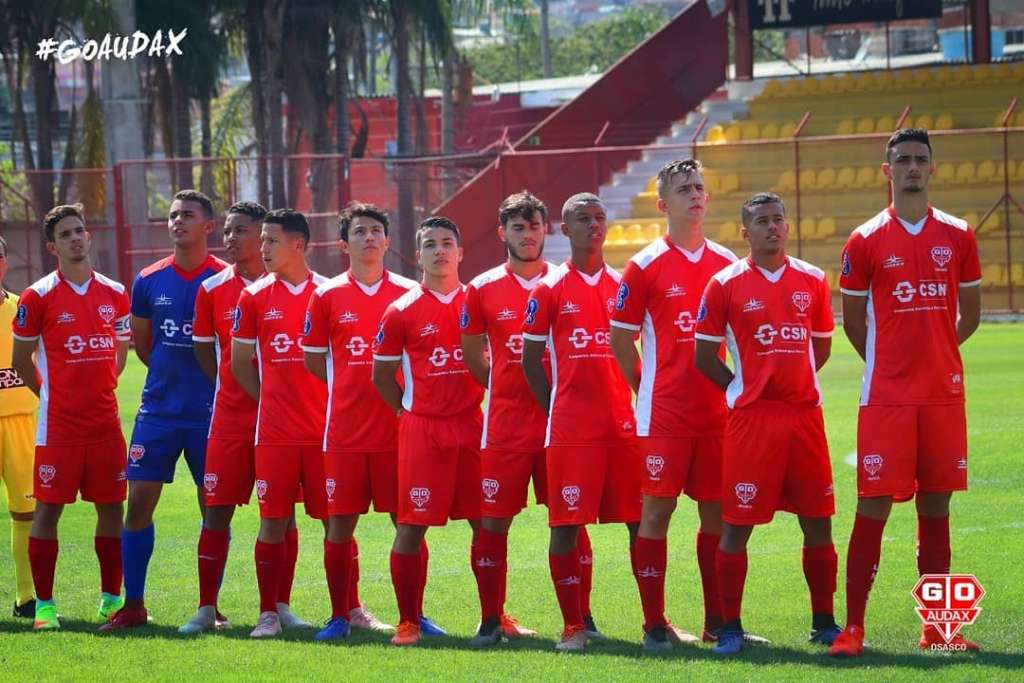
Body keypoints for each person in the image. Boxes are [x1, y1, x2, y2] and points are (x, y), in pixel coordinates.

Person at [829, 128, 982, 657]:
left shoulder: (960, 234)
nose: (912, 168)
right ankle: (853, 629)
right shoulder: (864, 239)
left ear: (933, 169)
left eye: (920, 160)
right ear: (886, 170)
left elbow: (971, 316)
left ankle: (940, 630)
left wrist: (934, 350)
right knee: (872, 507)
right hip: (887, 399)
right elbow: (853, 325)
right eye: (903, 160)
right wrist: (892, 363)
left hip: (942, 394)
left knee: (936, 508)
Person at [694, 192, 839, 655]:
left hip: (803, 418)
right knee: (736, 525)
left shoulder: (813, 280)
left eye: (779, 220)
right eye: (762, 221)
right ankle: (730, 627)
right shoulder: (724, 284)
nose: (773, 227)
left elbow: (820, 346)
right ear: (745, 232)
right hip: (751, 422)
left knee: (818, 522)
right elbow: (703, 355)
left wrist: (790, 380)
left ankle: (824, 622)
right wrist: (744, 386)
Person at [609, 159, 738, 649]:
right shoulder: (643, 265)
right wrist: (647, 388)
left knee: (718, 518)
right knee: (655, 515)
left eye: (701, 187)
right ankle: (653, 625)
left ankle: (717, 622)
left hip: (716, 415)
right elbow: (621, 341)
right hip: (664, 416)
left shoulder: (727, 262)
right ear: (663, 203)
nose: (696, 195)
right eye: (684, 189)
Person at [521, 193, 641, 651]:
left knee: (640, 521)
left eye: (599, 218)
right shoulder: (548, 289)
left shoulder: (626, 285)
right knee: (565, 524)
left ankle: (655, 623)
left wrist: (640, 400)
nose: (593, 225)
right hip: (571, 430)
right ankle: (573, 626)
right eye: (581, 219)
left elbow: (636, 352)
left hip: (623, 426)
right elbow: (531, 359)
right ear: (563, 230)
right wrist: (555, 408)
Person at [107, 190, 227, 630]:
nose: (178, 221)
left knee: (213, 510)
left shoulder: (225, 280)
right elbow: (144, 345)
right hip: (157, 411)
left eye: (188, 215)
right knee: (137, 505)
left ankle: (208, 607)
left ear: (208, 226)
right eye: (174, 215)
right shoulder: (148, 279)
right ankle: (134, 604)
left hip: (211, 413)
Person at [11, 204, 131, 630]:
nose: (77, 238)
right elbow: (21, 358)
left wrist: (106, 381)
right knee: (47, 511)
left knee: (112, 508)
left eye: (80, 230)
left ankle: (111, 598)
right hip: (58, 427)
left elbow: (120, 346)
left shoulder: (115, 291)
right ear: (52, 246)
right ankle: (44, 606)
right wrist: (49, 394)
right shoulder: (37, 296)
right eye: (66, 234)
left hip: (105, 425)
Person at [302, 202, 415, 640]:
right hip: (344, 433)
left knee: (405, 524)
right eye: (359, 232)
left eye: (375, 231)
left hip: (398, 432)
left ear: (387, 241)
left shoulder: (408, 292)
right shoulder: (327, 295)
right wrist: (346, 384)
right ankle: (339, 616)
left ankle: (412, 617)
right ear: (344, 243)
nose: (368, 238)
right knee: (340, 525)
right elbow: (314, 359)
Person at [371, 216, 485, 647]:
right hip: (423, 429)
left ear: (460, 252)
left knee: (485, 523)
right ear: (418, 254)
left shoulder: (479, 300)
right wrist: (404, 412)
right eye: (431, 244)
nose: (440, 251)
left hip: (472, 424)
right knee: (411, 524)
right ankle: (408, 622)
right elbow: (381, 375)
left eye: (447, 243)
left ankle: (493, 618)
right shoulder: (400, 309)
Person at [459, 191, 552, 645]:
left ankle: (583, 617)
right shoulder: (481, 288)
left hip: (559, 423)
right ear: (503, 233)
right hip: (505, 426)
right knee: (493, 522)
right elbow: (472, 354)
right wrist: (501, 384)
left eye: (534, 226)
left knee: (567, 520)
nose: (528, 234)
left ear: (546, 230)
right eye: (519, 227)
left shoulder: (564, 282)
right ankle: (490, 618)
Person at [231, 208, 328, 638]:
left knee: (335, 521)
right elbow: (239, 364)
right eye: (262, 240)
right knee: (273, 520)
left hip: (326, 434)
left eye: (271, 241)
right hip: (274, 434)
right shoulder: (252, 297)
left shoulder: (328, 293)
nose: (262, 248)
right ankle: (269, 612)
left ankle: (349, 609)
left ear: (299, 245)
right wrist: (272, 400)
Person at [179, 201, 267, 634]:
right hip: (229, 420)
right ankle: (206, 607)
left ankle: (277, 608)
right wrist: (230, 388)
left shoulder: (292, 286)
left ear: (264, 235)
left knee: (279, 513)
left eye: (241, 230)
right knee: (216, 512)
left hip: (280, 422)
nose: (230, 238)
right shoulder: (212, 288)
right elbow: (204, 352)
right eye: (227, 231)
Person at [0, 234, 39, 619]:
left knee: (25, 512)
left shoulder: (22, 310)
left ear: (4, 262)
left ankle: (26, 596)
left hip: (21, 423)